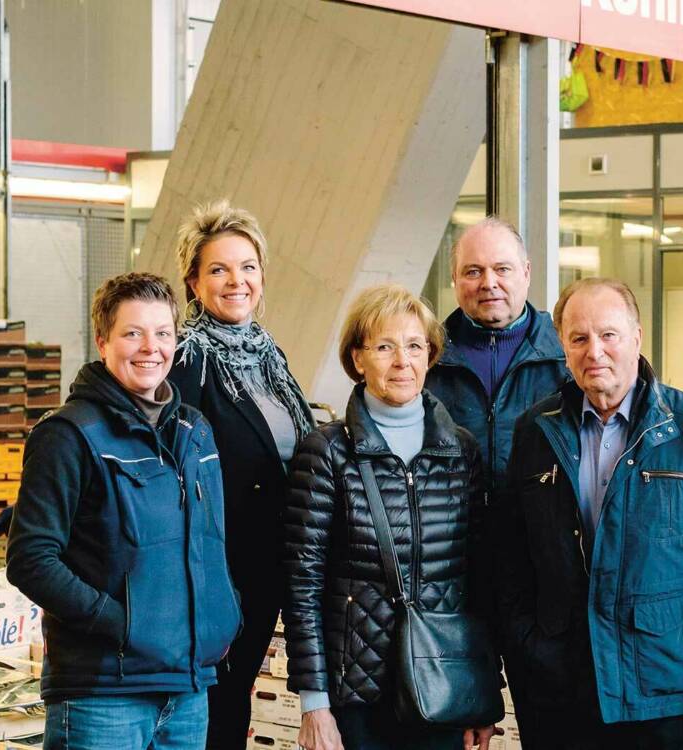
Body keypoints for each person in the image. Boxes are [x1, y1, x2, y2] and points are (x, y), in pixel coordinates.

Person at [496, 277, 683, 750]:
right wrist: (528, 647)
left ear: (637, 338)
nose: (594, 351)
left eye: (608, 335)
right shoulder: (535, 431)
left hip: (663, 690)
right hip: (561, 689)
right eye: (579, 338)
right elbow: (512, 561)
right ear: (563, 346)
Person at [6, 272, 240, 749]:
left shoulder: (195, 431)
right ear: (102, 340)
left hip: (188, 689)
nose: (149, 348)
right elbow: (31, 559)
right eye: (132, 333)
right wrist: (122, 624)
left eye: (163, 333)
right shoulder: (68, 436)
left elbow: (211, 542)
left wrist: (223, 613)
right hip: (103, 695)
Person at [283, 284, 499, 750]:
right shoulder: (326, 452)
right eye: (385, 346)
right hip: (357, 695)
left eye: (415, 346)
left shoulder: (459, 450)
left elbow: (479, 579)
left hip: (442, 682)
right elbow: (302, 586)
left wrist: (485, 693)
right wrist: (314, 703)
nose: (403, 361)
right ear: (358, 359)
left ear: (430, 356)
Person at [167, 199, 315, 750]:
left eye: (248, 266)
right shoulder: (188, 359)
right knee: (216, 703)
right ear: (193, 281)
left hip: (269, 561)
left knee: (236, 696)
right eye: (219, 269)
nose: (237, 281)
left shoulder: (267, 357)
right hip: (221, 569)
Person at [424, 217, 568, 496]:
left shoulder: (566, 358)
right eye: (473, 272)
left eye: (502, 269)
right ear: (454, 278)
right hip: (450, 534)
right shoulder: (426, 359)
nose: (489, 283)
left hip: (537, 535)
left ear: (526, 273)